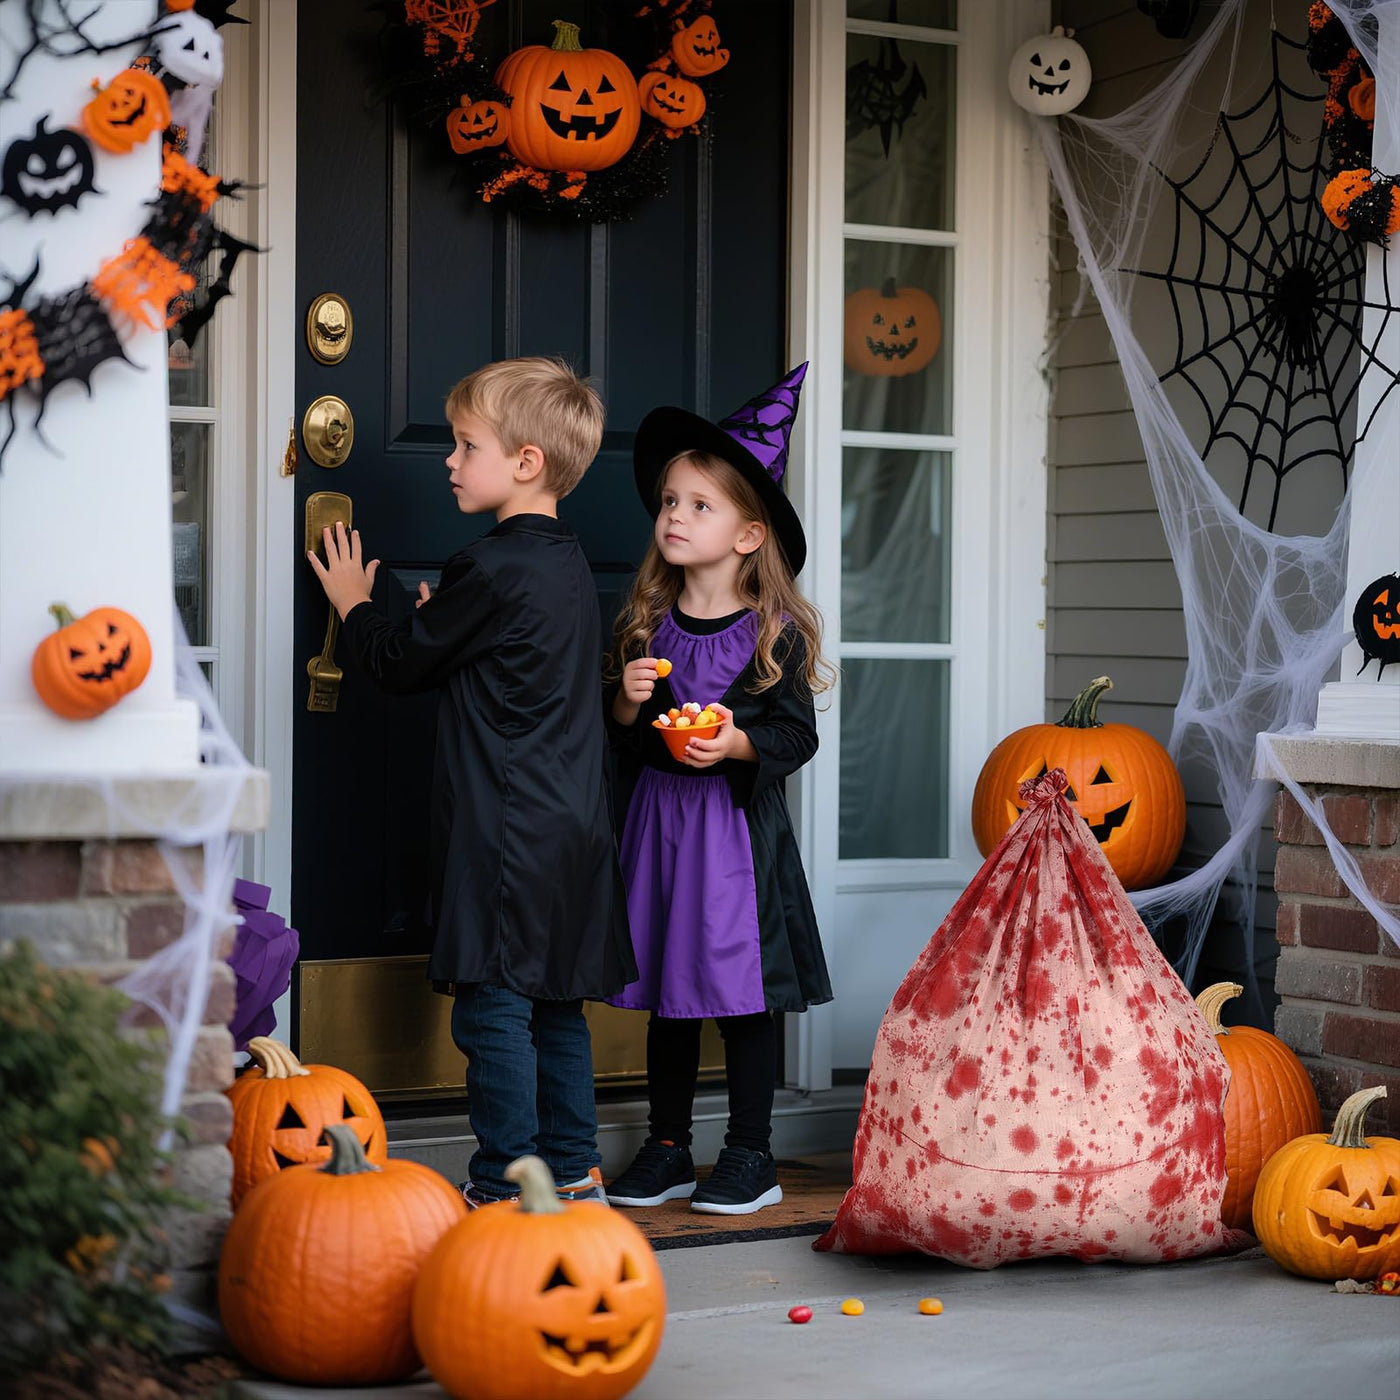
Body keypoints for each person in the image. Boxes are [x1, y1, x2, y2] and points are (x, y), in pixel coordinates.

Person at [307, 356, 635, 1207]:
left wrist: (354, 603)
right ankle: (572, 1169)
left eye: (465, 446)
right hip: (572, 827)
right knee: (556, 1004)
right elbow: (501, 656)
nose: (449, 462)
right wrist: (440, 622)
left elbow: (399, 663)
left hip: (507, 829)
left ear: (525, 461)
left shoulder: (487, 567)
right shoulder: (564, 561)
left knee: (492, 1008)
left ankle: (503, 1182)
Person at [603, 363, 834, 1216]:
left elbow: (794, 736)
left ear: (747, 535)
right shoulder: (643, 626)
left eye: (699, 504)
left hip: (735, 847)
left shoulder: (773, 635)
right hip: (660, 836)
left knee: (739, 999)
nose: (674, 516)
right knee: (670, 993)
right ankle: (667, 1148)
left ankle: (750, 1154)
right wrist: (625, 707)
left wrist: (737, 739)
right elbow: (620, 743)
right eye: (669, 501)